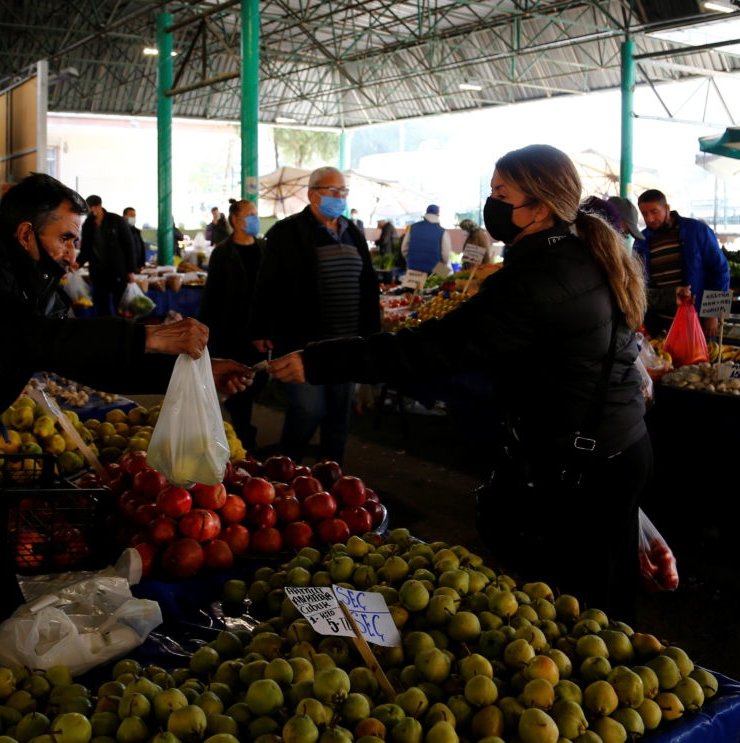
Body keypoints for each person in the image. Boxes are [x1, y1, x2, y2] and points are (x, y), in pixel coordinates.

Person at [269, 145, 650, 619]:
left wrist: (322, 362)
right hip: (612, 449)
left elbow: (431, 349)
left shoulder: (535, 280)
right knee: (606, 594)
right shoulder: (583, 254)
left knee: (571, 608)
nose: (491, 202)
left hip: (577, 464)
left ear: (540, 207)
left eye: (500, 192)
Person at [0, 174, 251, 634]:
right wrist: (146, 335)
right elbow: (29, 337)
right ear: (27, 233)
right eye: (66, 238)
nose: (74, 252)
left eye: (77, 239)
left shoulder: (34, 277)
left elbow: (80, 355)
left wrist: (196, 371)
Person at [249, 166, 379, 464]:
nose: (340, 197)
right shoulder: (287, 231)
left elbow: (368, 283)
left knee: (338, 414)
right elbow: (266, 282)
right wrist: (259, 327)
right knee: (308, 410)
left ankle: (331, 475)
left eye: (343, 191)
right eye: (333, 191)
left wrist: (370, 335)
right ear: (312, 194)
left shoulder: (352, 231)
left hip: (348, 343)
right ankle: (287, 468)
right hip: (304, 341)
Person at [200, 198, 268, 450]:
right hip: (232, 329)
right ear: (237, 221)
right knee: (241, 380)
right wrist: (206, 332)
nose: (256, 219)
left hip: (258, 328)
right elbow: (212, 295)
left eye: (256, 214)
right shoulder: (223, 253)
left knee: (258, 378)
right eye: (251, 215)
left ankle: (240, 421)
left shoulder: (263, 248)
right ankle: (244, 436)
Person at [634, 189, 729, 336]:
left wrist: (713, 313)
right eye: (644, 214)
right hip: (659, 325)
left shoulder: (697, 230)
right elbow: (639, 284)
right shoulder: (641, 241)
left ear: (667, 208)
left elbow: (720, 270)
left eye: (654, 212)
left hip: (697, 320)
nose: (650, 219)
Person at [77, 195, 138, 316]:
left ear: (100, 206)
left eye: (93, 209)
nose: (91, 212)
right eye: (89, 210)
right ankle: (105, 330)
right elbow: (85, 250)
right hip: (98, 272)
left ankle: (123, 329)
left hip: (117, 271)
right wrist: (77, 264)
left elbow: (129, 246)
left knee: (120, 304)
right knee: (101, 305)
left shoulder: (116, 220)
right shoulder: (88, 225)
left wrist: (131, 271)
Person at [401, 205, 452, 274]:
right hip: (434, 272)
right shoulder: (442, 232)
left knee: (413, 285)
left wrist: (411, 260)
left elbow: (404, 249)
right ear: (438, 215)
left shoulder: (413, 227)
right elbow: (445, 255)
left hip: (413, 270)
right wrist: (443, 266)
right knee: (439, 281)